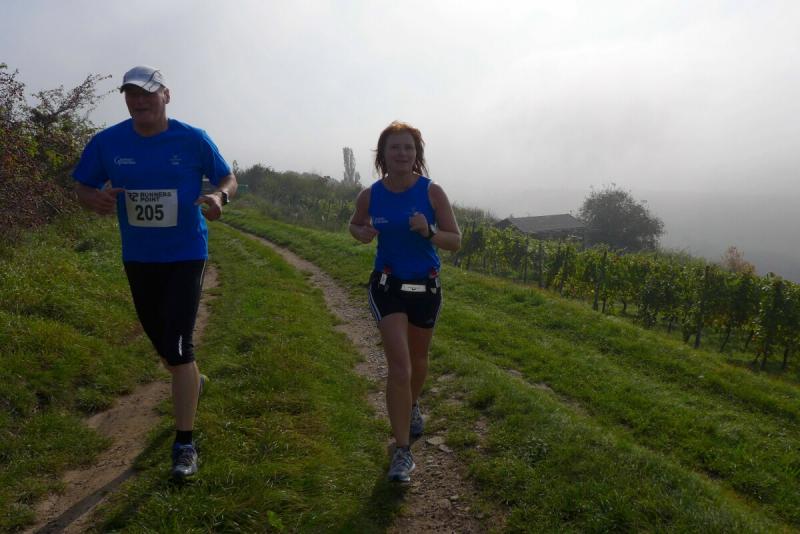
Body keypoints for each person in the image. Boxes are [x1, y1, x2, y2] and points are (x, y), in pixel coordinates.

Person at [73, 65, 237, 479]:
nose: (139, 101)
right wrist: (94, 199)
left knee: (179, 347)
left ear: (166, 95)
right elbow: (83, 186)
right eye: (131, 94)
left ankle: (184, 444)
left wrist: (219, 196)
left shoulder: (192, 138)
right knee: (164, 347)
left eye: (147, 93)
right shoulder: (108, 142)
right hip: (139, 256)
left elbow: (227, 177)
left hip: (186, 253)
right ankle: (192, 382)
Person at [349, 121, 461, 482]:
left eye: (409, 147)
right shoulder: (371, 195)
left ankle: (411, 404)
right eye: (395, 147)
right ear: (383, 154)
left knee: (418, 360)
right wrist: (362, 233)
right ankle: (402, 451)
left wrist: (429, 231)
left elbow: (454, 241)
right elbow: (355, 224)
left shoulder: (432, 192)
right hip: (388, 285)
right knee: (400, 367)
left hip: (425, 287)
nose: (402, 153)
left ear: (417, 154)